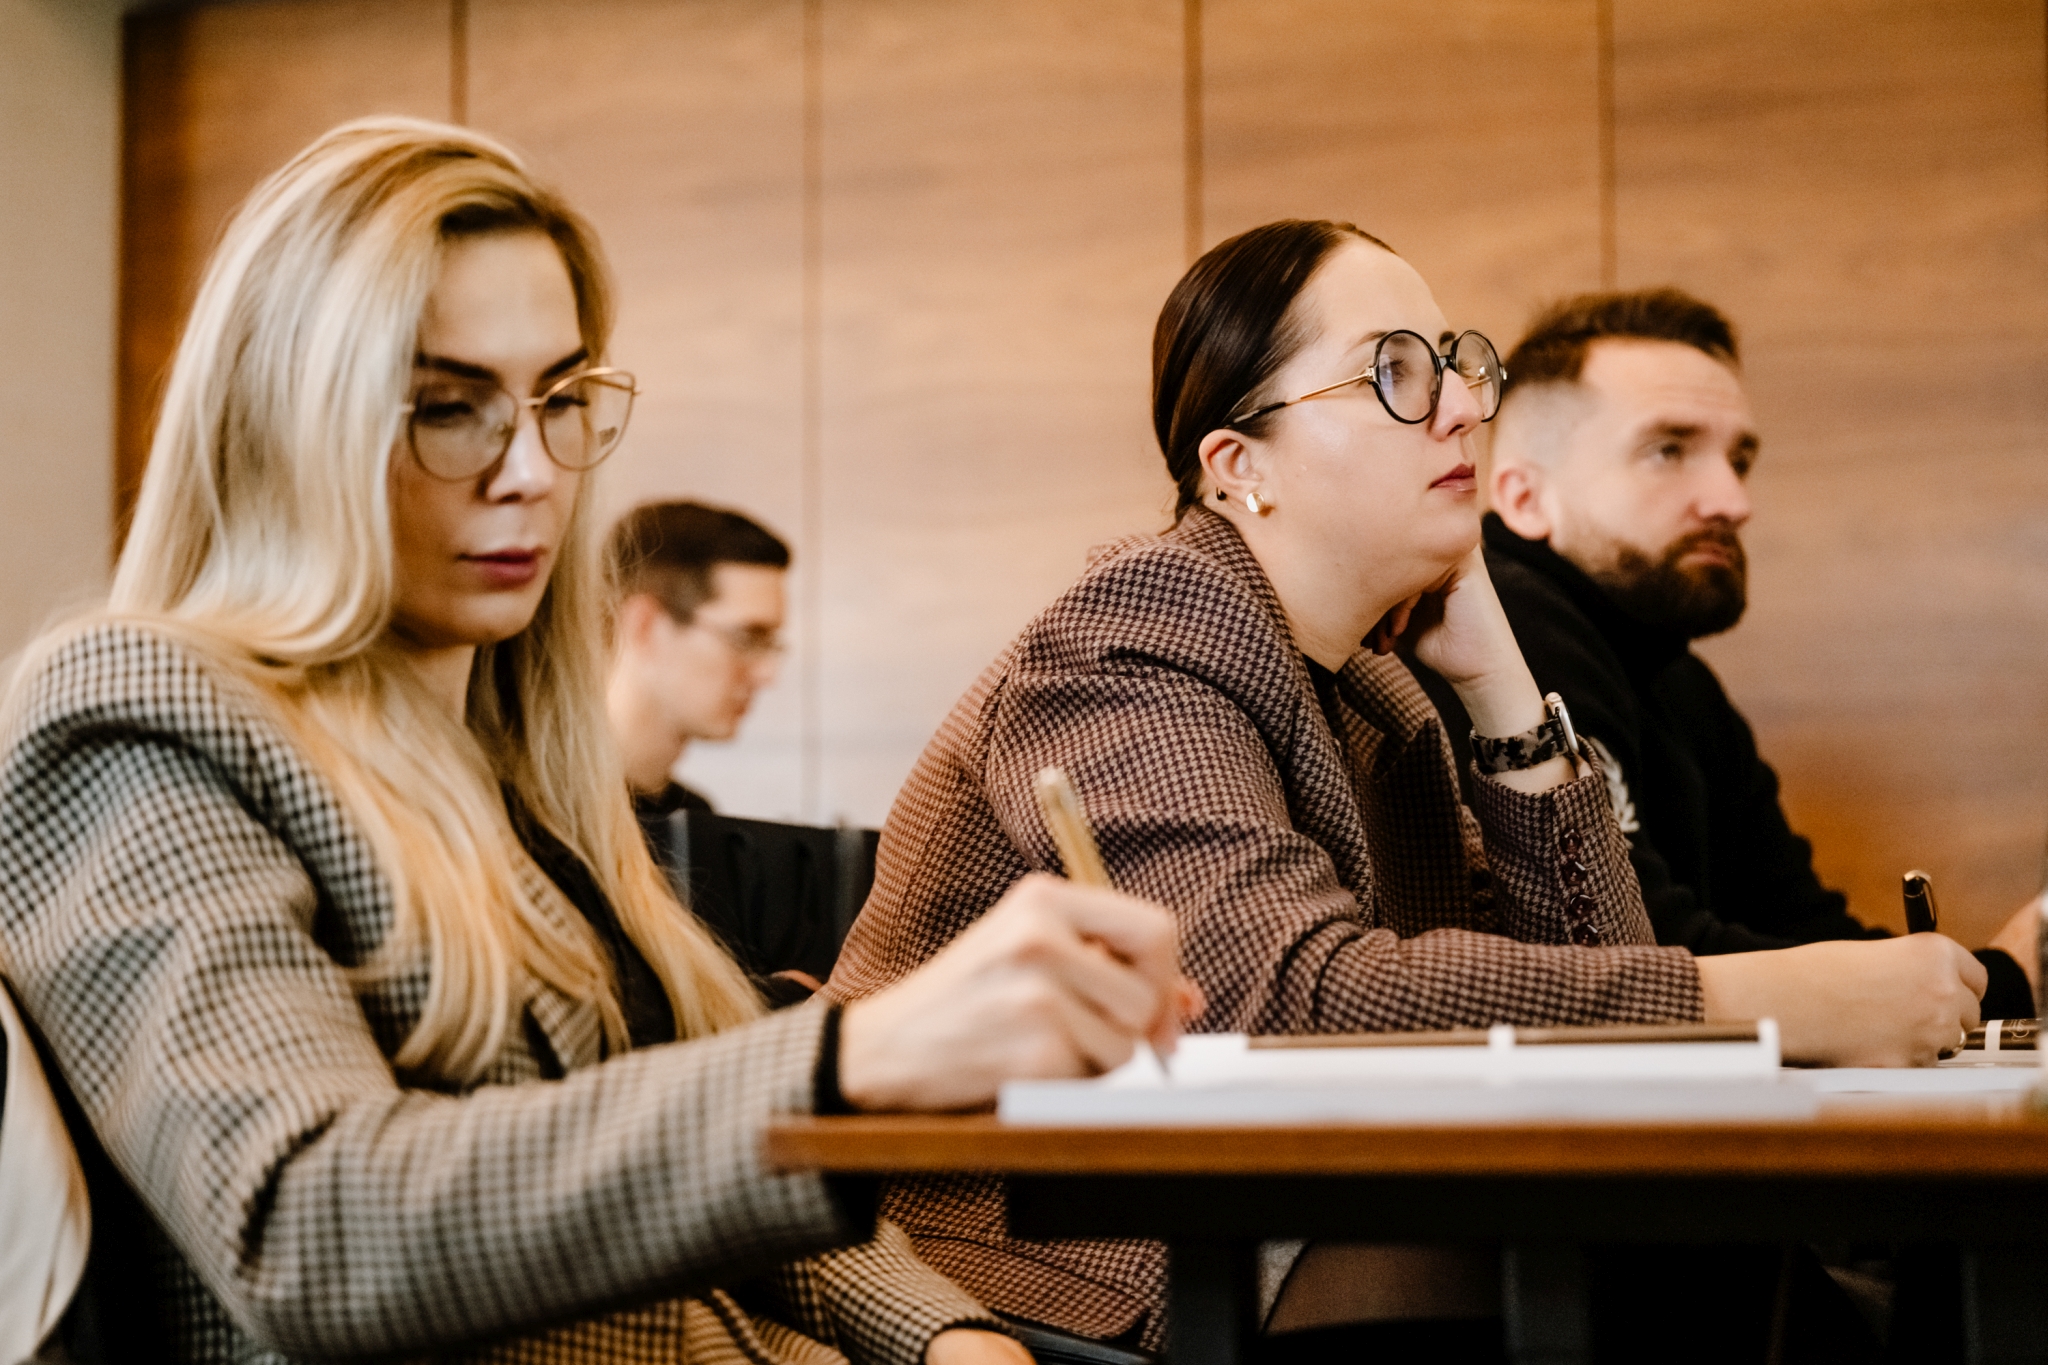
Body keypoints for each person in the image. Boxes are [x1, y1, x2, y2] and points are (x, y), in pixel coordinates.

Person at [0, 117, 1194, 1364]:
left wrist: (941, 1335)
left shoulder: (523, 766)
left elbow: (722, 1161)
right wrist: (857, 1059)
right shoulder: (137, 715)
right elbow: (309, 1225)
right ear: (289, 425)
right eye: (448, 408)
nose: (531, 471)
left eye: (560, 400)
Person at [823, 220, 1985, 1353]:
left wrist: (1498, 690)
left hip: (1270, 1201)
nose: (1465, 405)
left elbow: (1590, 987)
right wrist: (1764, 1003)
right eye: (1393, 372)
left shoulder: (1374, 692)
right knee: (1679, 1259)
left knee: (1719, 1246)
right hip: (1040, 1254)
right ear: (1240, 467)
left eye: (1457, 363)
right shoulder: (1140, 625)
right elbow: (1280, 1004)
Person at [1412, 288, 2035, 1018]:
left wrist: (1974, 984)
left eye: (1739, 459)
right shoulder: (1507, 627)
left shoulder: (1680, 680)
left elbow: (1802, 929)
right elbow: (1645, 964)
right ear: (1524, 498)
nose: (1733, 501)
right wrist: (2010, 977)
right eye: (1669, 450)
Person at [606, 500, 790, 825]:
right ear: (645, 626)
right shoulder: (534, 811)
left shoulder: (695, 818)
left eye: (769, 644)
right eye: (747, 638)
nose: (767, 674)